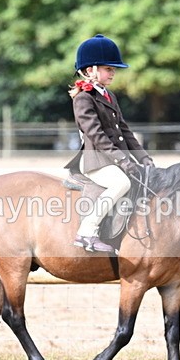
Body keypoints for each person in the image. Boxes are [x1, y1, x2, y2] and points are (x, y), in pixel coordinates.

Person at [65, 34, 154, 253]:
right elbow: (96, 135)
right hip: (95, 161)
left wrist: (143, 158)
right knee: (121, 184)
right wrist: (124, 161)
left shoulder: (109, 96)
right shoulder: (83, 98)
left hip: (113, 159)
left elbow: (124, 130)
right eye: (108, 68)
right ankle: (87, 231)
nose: (113, 72)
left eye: (113, 69)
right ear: (90, 70)